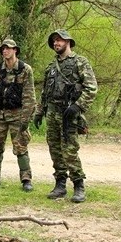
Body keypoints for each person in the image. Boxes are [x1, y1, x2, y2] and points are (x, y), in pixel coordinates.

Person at [33, 29, 98, 203]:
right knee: (54, 149)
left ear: (68, 42)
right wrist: (39, 112)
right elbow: (45, 92)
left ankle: (78, 186)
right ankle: (60, 184)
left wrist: (78, 106)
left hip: (69, 113)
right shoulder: (51, 67)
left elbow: (91, 88)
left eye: (59, 40)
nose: (56, 43)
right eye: (54, 40)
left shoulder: (80, 62)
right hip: (52, 112)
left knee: (70, 150)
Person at [0, 39, 36, 191]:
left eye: (8, 48)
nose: (5, 51)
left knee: (20, 146)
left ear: (15, 50)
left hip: (17, 114)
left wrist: (26, 118)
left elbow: (29, 96)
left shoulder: (25, 69)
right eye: (3, 48)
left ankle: (26, 179)